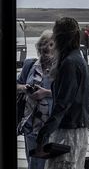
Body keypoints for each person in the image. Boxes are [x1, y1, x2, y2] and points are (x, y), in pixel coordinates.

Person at [35, 17, 89, 168]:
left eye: (55, 34)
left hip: (68, 132)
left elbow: (62, 104)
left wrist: (44, 133)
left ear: (61, 37)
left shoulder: (69, 63)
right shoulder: (80, 60)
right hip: (79, 129)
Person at [16, 31, 54, 169]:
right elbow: (16, 84)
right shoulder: (29, 65)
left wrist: (46, 93)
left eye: (51, 44)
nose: (47, 47)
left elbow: (66, 94)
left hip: (49, 125)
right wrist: (24, 88)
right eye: (44, 44)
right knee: (32, 163)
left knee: (46, 164)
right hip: (30, 124)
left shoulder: (61, 68)